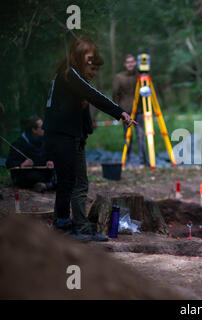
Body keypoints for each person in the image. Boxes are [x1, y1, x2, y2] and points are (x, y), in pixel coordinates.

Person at [43, 37, 137, 241]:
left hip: (73, 136)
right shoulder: (69, 74)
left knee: (79, 182)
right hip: (61, 135)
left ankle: (81, 227)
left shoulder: (74, 79)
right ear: (78, 56)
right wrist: (120, 112)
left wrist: (84, 135)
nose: (92, 68)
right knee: (67, 180)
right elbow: (95, 95)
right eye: (89, 61)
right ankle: (61, 225)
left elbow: (82, 109)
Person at [113, 54, 148, 166]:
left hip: (139, 111)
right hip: (125, 112)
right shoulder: (119, 77)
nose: (130, 64)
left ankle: (143, 161)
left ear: (135, 63)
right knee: (128, 137)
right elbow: (115, 95)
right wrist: (117, 113)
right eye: (128, 62)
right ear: (125, 64)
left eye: (132, 62)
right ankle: (130, 161)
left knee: (141, 136)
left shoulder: (140, 76)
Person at [5, 115, 56, 192]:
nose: (45, 129)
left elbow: (50, 156)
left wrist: (50, 161)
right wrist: (21, 164)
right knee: (33, 176)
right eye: (42, 127)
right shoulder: (18, 144)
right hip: (25, 175)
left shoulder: (45, 142)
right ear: (34, 130)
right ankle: (48, 185)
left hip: (43, 173)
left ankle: (46, 185)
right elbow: (9, 163)